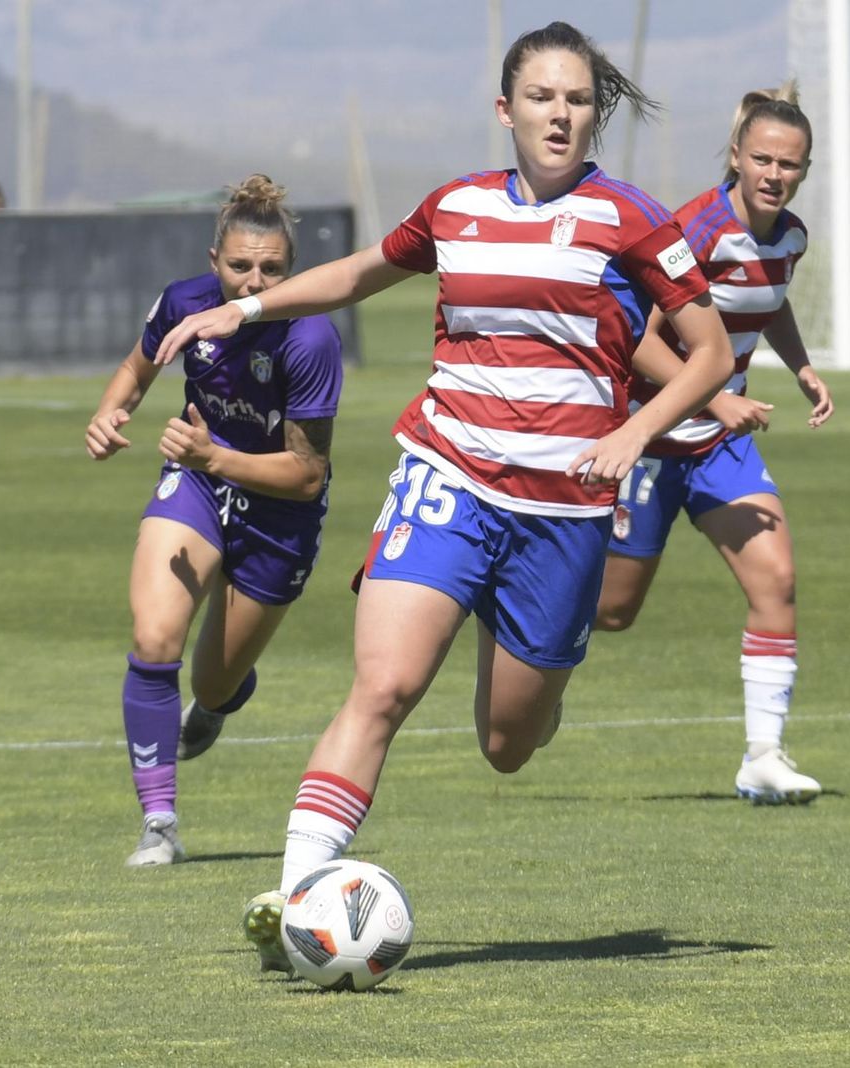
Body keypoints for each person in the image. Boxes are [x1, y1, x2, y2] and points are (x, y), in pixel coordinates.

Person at [155, 21, 733, 971]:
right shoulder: (456, 207)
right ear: (505, 110)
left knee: (509, 742)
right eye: (542, 96)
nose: (561, 113)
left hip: (564, 512)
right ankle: (300, 901)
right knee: (383, 686)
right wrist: (248, 306)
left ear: (595, 117)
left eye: (579, 99)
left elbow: (707, 353)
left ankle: (528, 662)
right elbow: (358, 273)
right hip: (447, 477)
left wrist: (631, 432)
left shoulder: (633, 220)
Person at [84, 175, 344, 866]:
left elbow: (307, 474)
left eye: (271, 268)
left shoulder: (309, 338)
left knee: (213, 685)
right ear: (213, 261)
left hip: (279, 512)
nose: (252, 278)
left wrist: (216, 456)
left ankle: (221, 697)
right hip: (197, 484)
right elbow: (137, 368)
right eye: (239, 265)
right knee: (155, 631)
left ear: (291, 273)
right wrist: (112, 413)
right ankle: (159, 823)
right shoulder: (184, 302)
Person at [594, 82, 835, 805]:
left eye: (788, 165)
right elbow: (637, 343)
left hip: (719, 446)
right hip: (653, 439)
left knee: (777, 582)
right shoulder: (692, 232)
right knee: (612, 612)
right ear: (735, 155)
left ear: (803, 170)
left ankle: (763, 753)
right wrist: (716, 392)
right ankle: (527, 654)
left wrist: (801, 367)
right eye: (761, 158)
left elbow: (772, 299)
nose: (773, 174)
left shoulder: (789, 237)